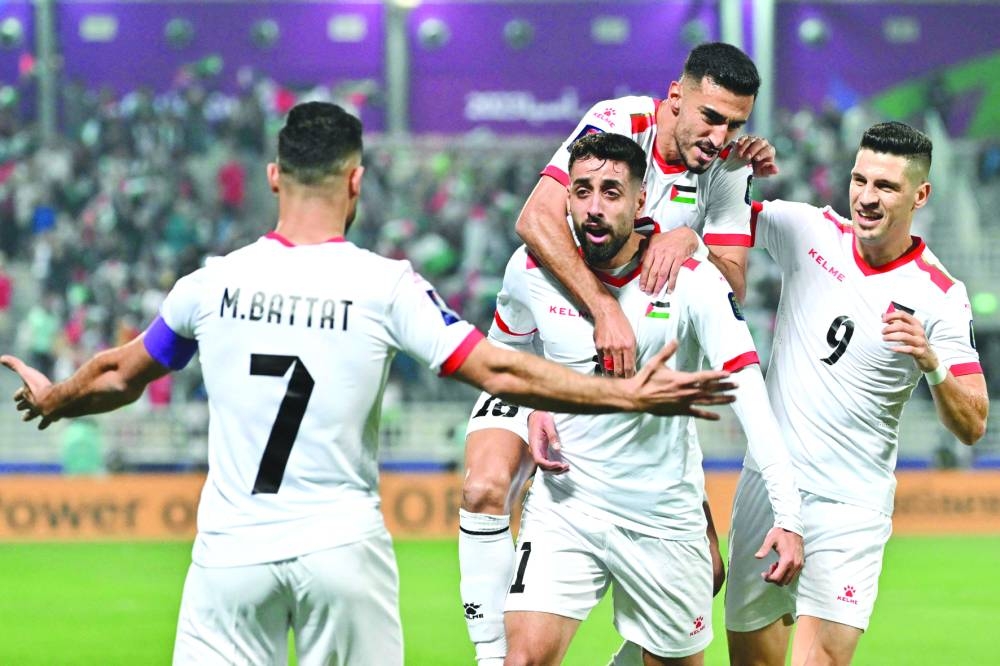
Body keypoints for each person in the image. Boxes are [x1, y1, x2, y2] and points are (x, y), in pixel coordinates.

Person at [1, 102, 739, 666]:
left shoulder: (210, 285)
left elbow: (119, 372)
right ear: (356, 181)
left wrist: (54, 397)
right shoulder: (386, 288)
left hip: (230, 555)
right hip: (341, 553)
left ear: (273, 177)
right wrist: (623, 394)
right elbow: (498, 368)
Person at [460, 41, 774, 664]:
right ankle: (492, 657)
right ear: (675, 97)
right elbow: (537, 220)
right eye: (711, 117)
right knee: (486, 488)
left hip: (629, 378)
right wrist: (602, 313)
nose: (721, 137)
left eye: (736, 124)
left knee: (708, 571)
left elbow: (732, 283)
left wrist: (689, 241)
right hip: (535, 350)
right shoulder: (618, 122)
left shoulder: (725, 170)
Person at [725, 121, 989, 666]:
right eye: (860, 180)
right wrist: (731, 169)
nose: (867, 197)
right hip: (769, 485)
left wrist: (932, 364)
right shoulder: (809, 230)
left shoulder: (940, 295)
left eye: (886, 186)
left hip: (851, 506)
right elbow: (718, 218)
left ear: (920, 195)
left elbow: (973, 423)